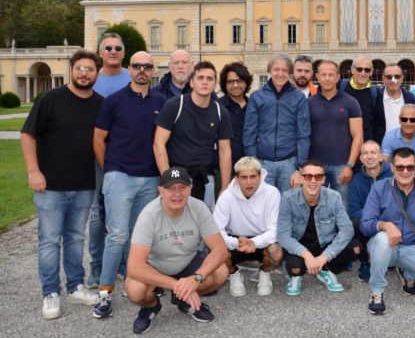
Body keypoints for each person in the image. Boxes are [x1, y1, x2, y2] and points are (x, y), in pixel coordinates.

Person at [21, 49, 103, 319]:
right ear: (72, 69)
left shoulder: (100, 104)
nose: (84, 73)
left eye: (89, 69)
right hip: (51, 186)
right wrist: (34, 172)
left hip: (83, 185)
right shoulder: (51, 100)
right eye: (79, 68)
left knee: (76, 239)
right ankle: (50, 293)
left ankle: (75, 286)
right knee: (48, 241)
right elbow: (27, 135)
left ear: (97, 73)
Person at [92, 51, 167, 318]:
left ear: (153, 69)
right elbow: (99, 139)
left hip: (149, 179)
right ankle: (104, 293)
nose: (142, 70)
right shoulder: (114, 101)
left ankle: (136, 282)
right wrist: (109, 169)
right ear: (130, 69)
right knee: (117, 236)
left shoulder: (161, 101)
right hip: (120, 176)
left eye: (147, 66)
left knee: (140, 238)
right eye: (137, 66)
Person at [125, 167, 229, 334]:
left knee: (221, 272)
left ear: (191, 187)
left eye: (182, 187)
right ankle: (151, 306)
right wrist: (176, 285)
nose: (177, 194)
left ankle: (185, 301)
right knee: (135, 290)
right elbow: (134, 267)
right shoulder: (149, 214)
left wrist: (196, 278)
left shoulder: (199, 208)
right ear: (160, 190)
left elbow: (221, 250)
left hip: (187, 263)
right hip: (157, 267)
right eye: (171, 188)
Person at [361, 147, 415, 315]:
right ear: (392, 167)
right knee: (383, 239)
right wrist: (385, 225)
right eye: (400, 167)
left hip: (410, 248)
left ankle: (407, 272)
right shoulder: (379, 188)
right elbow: (365, 224)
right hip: (383, 247)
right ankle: (377, 291)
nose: (405, 171)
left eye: (410, 167)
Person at [154, 61, 233, 210]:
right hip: (176, 176)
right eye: (200, 78)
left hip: (205, 177)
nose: (205, 82)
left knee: (202, 225)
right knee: (174, 223)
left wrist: (225, 187)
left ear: (215, 84)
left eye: (209, 79)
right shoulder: (174, 105)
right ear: (191, 82)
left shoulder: (220, 112)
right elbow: (158, 143)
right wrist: (167, 179)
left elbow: (225, 150)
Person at [87, 33, 132, 290]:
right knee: (97, 215)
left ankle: (126, 267)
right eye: (108, 48)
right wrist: (105, 164)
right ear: (100, 52)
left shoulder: (131, 77)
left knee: (125, 215)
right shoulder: (93, 78)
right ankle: (97, 267)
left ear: (123, 53)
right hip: (99, 157)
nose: (113, 51)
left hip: (128, 158)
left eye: (118, 47)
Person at [276, 160, 357, 296]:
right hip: (300, 247)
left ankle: (324, 269)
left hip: (324, 243)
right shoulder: (288, 198)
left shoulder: (334, 197)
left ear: (323, 179)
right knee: (295, 268)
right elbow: (283, 235)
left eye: (318, 177)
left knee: (356, 248)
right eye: (308, 176)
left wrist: (324, 257)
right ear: (301, 178)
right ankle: (297, 276)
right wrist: (307, 256)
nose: (313, 180)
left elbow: (347, 230)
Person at [213, 157, 283, 298]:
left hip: (262, 239)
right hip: (236, 240)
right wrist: (236, 243)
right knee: (216, 248)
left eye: (253, 176)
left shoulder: (272, 193)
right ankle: (234, 273)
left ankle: (264, 273)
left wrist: (254, 242)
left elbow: (275, 229)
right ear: (237, 179)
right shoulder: (226, 196)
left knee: (276, 252)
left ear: (260, 176)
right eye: (244, 177)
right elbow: (216, 231)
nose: (249, 182)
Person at [243, 54, 309, 193]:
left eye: (284, 70)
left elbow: (303, 134)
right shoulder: (257, 97)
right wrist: (253, 164)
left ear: (290, 73)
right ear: (270, 71)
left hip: (289, 163)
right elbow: (249, 133)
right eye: (276, 69)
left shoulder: (299, 98)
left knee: (288, 205)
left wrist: (300, 167)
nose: (280, 74)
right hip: (263, 163)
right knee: (263, 207)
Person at [308, 60, 364, 208]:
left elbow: (358, 136)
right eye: (323, 75)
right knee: (315, 206)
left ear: (338, 77)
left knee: (342, 207)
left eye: (331, 75)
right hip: (315, 167)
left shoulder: (351, 103)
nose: (327, 78)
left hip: (342, 166)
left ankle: (343, 232)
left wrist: (350, 165)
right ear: (317, 77)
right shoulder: (308, 103)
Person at [348, 141, 393, 282]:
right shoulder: (356, 180)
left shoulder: (392, 175)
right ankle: (365, 261)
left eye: (373, 152)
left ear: (381, 157)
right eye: (365, 153)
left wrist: (383, 220)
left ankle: (395, 258)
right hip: (368, 222)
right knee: (354, 223)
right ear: (361, 159)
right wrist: (374, 219)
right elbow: (354, 210)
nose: (369, 156)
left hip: (390, 221)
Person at [218, 62, 253, 171]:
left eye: (239, 81)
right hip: (225, 168)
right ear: (225, 84)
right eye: (231, 82)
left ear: (246, 82)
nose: (235, 85)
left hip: (250, 167)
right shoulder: (218, 107)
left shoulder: (254, 106)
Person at [341, 55, 383, 143]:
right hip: (342, 144)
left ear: (371, 72)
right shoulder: (340, 86)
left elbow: (379, 124)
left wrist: (376, 146)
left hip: (365, 146)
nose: (363, 73)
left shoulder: (375, 93)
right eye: (359, 69)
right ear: (352, 70)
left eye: (367, 70)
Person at [374, 63, 415, 142]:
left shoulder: (410, 98)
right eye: (389, 77)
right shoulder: (376, 98)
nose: (393, 80)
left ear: (402, 78)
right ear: (383, 79)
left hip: (405, 146)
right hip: (382, 147)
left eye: (397, 76)